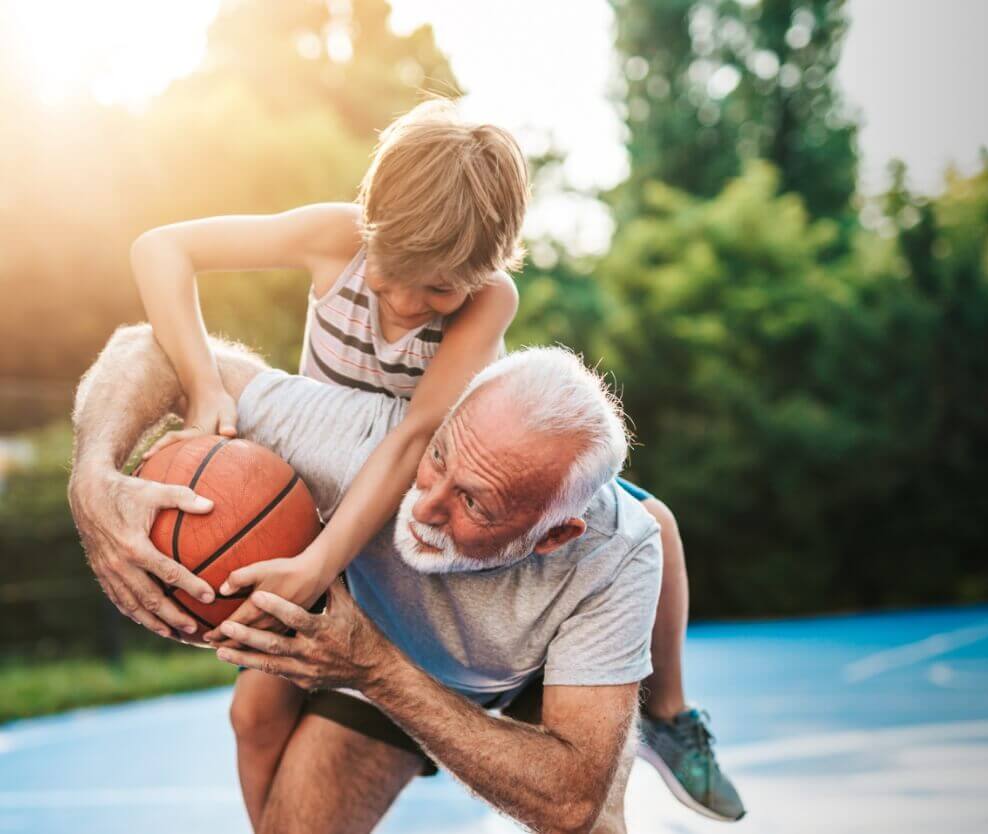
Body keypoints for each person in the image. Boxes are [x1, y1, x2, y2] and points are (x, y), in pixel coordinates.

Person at [127, 99, 742, 822]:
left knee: (652, 526)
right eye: (391, 274)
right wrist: (202, 384)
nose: (408, 303)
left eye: (440, 288)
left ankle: (667, 716)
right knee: (252, 716)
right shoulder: (334, 237)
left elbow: (415, 439)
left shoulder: (488, 302)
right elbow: (159, 248)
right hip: (342, 501)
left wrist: (317, 566)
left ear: (488, 268)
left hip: (451, 497)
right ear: (371, 221)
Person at [68, 324, 695, 832]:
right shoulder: (364, 441)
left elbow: (569, 801)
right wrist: (92, 476)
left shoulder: (615, 554)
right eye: (439, 456)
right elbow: (149, 345)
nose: (424, 505)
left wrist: (375, 669)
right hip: (384, 652)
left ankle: (673, 720)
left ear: (555, 534)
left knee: (593, 825)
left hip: (458, 666)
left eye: (475, 503)